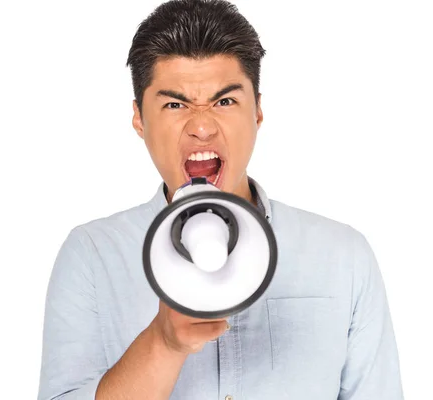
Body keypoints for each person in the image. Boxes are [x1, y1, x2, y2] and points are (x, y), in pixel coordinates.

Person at [37, 0, 403, 399]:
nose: (201, 127)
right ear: (139, 119)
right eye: (175, 104)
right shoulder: (92, 255)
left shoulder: (342, 256)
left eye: (224, 101)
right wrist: (163, 343)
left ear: (258, 112)